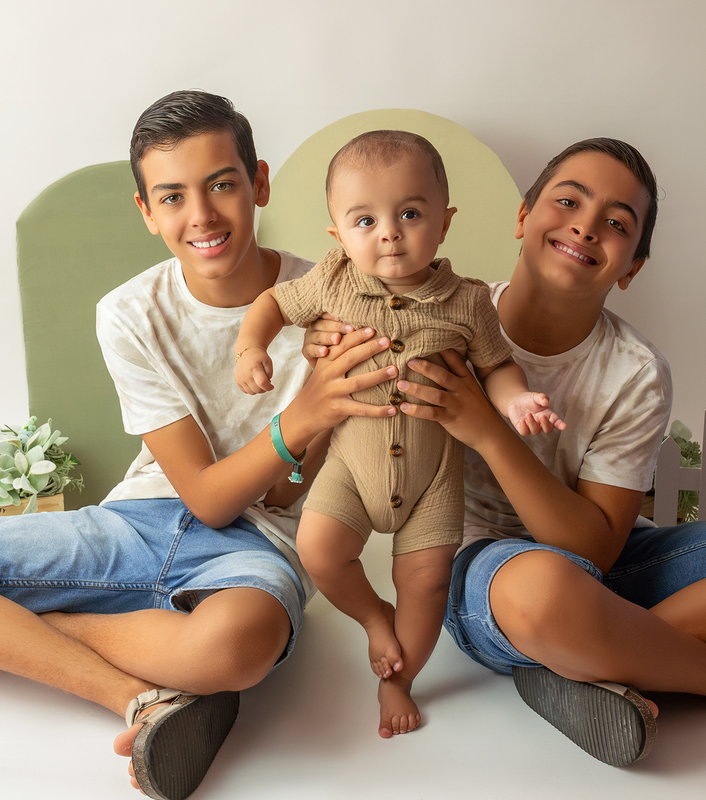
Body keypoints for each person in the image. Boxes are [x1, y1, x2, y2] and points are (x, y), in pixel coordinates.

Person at [0, 89, 401, 800]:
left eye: (222, 184)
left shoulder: (338, 294)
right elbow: (201, 495)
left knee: (236, 647)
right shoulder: (130, 311)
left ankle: (8, 626)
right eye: (172, 196)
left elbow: (282, 496)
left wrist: (314, 417)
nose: (202, 216)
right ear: (146, 212)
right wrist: (301, 415)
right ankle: (138, 697)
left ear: (258, 182)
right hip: (137, 518)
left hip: (262, 545)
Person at [308, 137, 706, 766]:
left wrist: (486, 428)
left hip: (597, 563)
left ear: (631, 267)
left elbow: (592, 549)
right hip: (487, 578)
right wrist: (318, 354)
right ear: (522, 218)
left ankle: (592, 656)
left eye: (617, 223)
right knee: (545, 592)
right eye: (567, 201)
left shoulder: (635, 371)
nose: (585, 227)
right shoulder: (439, 313)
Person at [235, 130, 564, 738]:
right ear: (337, 235)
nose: (389, 232)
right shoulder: (332, 280)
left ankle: (398, 680)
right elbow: (273, 304)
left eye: (410, 213)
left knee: (428, 582)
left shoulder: (468, 302)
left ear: (444, 223)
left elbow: (495, 365)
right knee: (319, 552)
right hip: (349, 472)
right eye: (365, 220)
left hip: (433, 483)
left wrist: (516, 400)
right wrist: (250, 346)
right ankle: (371, 618)